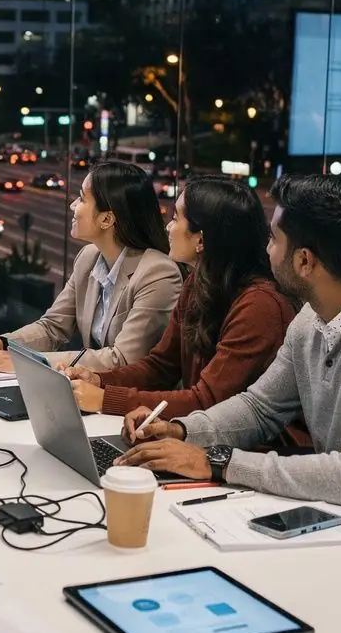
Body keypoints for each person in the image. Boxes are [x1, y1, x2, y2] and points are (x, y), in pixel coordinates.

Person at [119, 173, 341, 633]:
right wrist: (182, 431)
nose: (266, 248)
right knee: (239, 591)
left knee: (271, 618)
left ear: (306, 262)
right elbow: (262, 407)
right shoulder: (315, 318)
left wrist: (220, 463)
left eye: (276, 238)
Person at [61, 177, 303, 445]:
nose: (168, 227)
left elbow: (207, 400)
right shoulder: (199, 283)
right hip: (201, 440)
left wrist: (106, 399)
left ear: (201, 238)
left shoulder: (261, 306)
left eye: (176, 218)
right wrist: (98, 380)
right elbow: (161, 366)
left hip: (250, 453)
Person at [0, 160, 181, 372]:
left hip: (129, 403)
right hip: (87, 389)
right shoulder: (89, 257)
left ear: (107, 219)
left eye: (82, 199)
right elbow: (53, 327)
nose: (73, 204)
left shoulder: (158, 274)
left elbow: (122, 359)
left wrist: (26, 361)